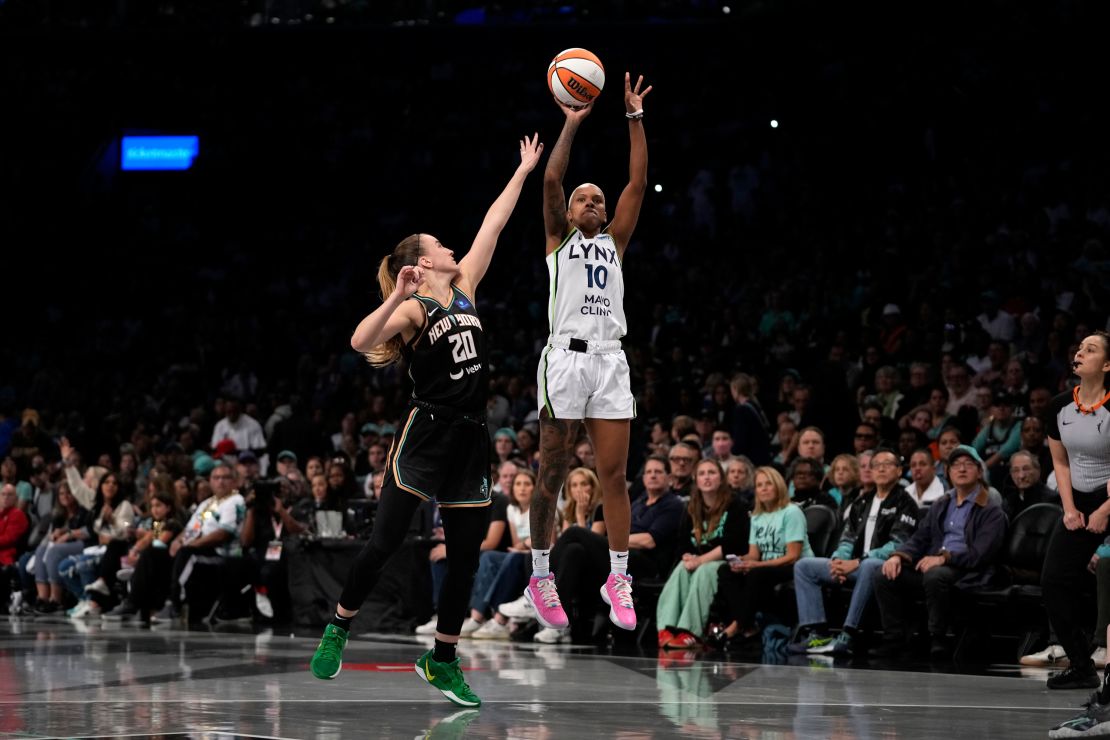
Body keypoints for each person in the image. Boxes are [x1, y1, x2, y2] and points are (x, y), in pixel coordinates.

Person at [307, 134, 543, 710]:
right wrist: (396, 298)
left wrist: (523, 170)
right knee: (385, 539)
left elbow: (495, 223)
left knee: (465, 557)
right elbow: (361, 341)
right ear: (421, 261)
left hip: (470, 436)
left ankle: (441, 659)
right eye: (440, 244)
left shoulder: (465, 288)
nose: (452, 246)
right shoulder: (415, 307)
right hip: (426, 431)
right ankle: (339, 626)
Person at [526, 72, 652, 634]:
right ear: (571, 212)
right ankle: (539, 574)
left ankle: (617, 577)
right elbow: (552, 178)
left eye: (597, 199)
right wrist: (571, 123)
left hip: (609, 360)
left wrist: (633, 118)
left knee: (614, 475)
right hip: (565, 361)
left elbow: (638, 183)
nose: (593, 202)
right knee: (551, 472)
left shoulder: (614, 243)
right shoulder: (558, 241)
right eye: (585, 198)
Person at [872, 445, 1006, 659]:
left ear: (979, 472)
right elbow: (920, 537)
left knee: (935, 576)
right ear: (949, 472)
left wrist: (944, 558)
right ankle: (893, 638)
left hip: (969, 571)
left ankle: (938, 639)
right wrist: (898, 555)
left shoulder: (991, 510)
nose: (961, 469)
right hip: (935, 565)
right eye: (956, 465)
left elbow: (981, 554)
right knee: (883, 574)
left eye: (968, 464)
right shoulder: (942, 503)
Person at [788, 448, 919, 657]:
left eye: (888, 464)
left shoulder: (906, 503)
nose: (881, 468)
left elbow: (897, 545)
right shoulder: (862, 502)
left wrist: (857, 561)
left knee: (869, 566)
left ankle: (847, 636)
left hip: (883, 568)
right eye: (876, 465)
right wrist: (838, 560)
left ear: (899, 471)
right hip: (854, 566)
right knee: (804, 566)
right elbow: (847, 538)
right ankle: (817, 634)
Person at [1040, 331, 1110, 692]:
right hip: (1079, 500)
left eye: (1091, 349)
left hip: (1109, 498)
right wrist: (1069, 509)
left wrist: (1105, 510)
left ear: (1108, 365)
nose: (1080, 352)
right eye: (1079, 347)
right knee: (1053, 581)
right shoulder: (1058, 406)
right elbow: (1060, 461)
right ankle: (1082, 665)